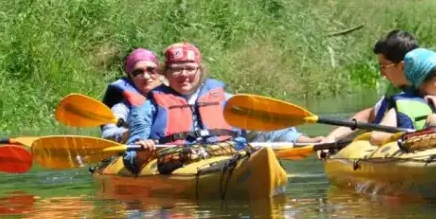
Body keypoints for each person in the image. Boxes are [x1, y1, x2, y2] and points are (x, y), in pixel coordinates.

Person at [122, 41, 325, 172]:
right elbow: (131, 156)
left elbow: (271, 133)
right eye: (176, 70)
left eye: (190, 68)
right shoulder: (147, 107)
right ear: (165, 74)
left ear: (200, 71)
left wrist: (309, 140)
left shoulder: (228, 102)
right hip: (177, 166)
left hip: (228, 158)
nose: (184, 75)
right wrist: (142, 152)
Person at [320, 29, 436, 146]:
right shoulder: (396, 94)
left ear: (402, 66)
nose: (381, 73)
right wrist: (332, 137)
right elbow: (369, 115)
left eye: (384, 67)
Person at [100, 48, 163, 142]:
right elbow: (107, 134)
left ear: (160, 71)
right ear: (130, 78)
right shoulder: (123, 107)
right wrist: (132, 133)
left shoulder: (176, 98)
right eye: (138, 72)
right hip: (139, 152)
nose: (146, 76)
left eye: (151, 70)